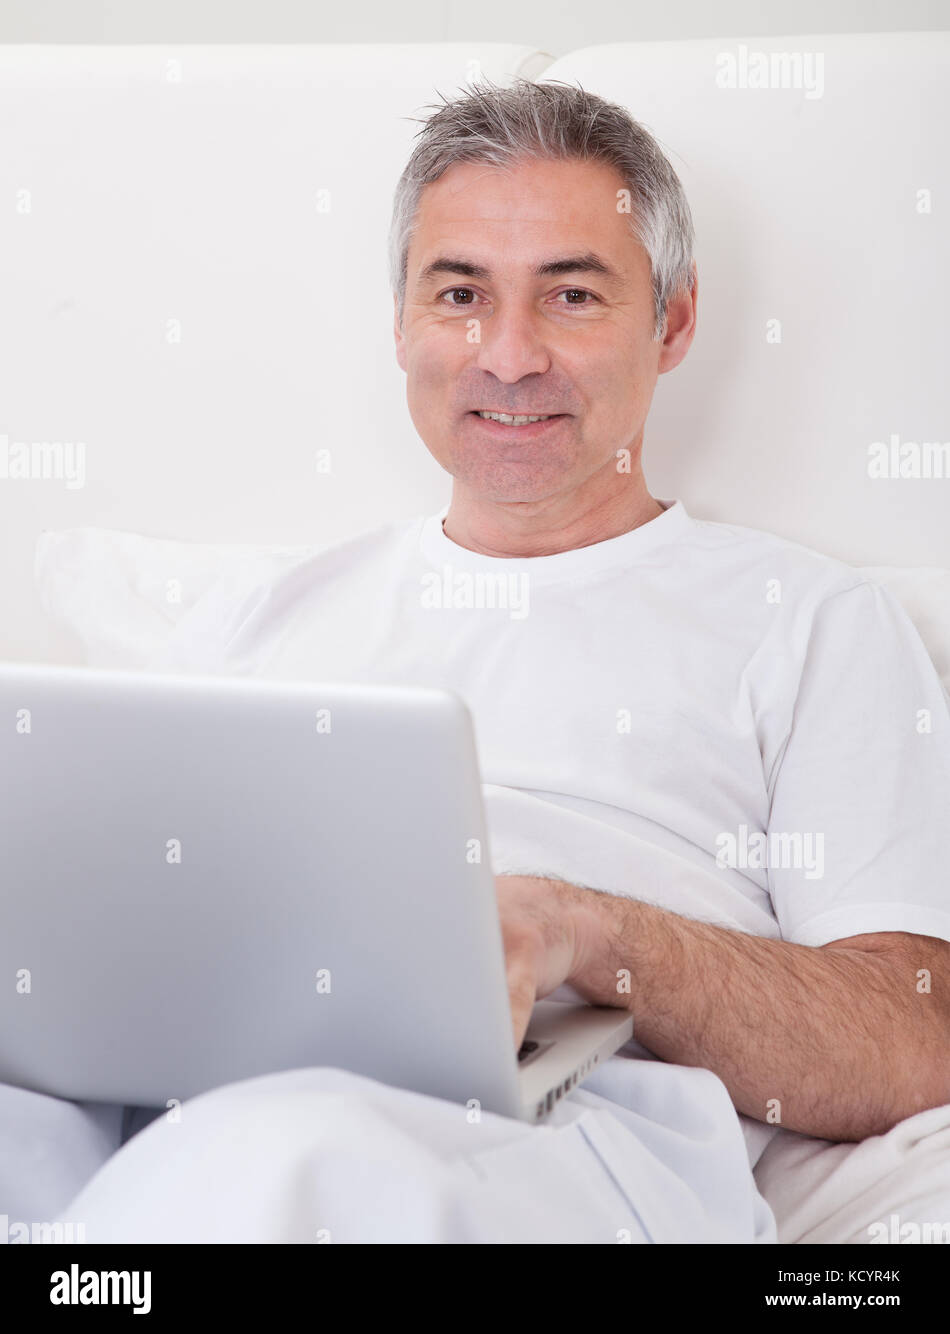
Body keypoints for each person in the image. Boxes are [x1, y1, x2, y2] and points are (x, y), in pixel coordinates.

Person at [35, 80, 950, 1243]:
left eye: (570, 294)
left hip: (560, 1127)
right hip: (190, 1092)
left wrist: (585, 933)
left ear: (670, 324)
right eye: (459, 293)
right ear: (403, 325)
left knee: (288, 1160)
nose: (507, 357)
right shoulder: (254, 620)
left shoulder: (809, 621)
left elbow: (913, 1038)